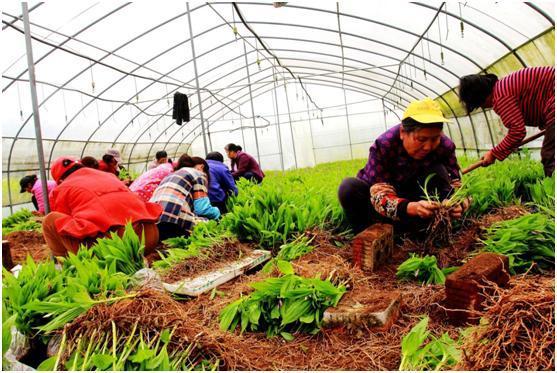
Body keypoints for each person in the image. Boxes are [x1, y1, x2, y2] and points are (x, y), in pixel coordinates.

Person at [338, 98, 468, 234]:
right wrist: (411, 207)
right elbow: (379, 195)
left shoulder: (445, 146)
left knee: (438, 171)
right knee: (349, 188)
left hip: (419, 204)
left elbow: (458, 186)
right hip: (385, 207)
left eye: (435, 138)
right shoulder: (385, 144)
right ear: (402, 132)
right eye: (421, 139)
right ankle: (370, 233)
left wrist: (458, 205)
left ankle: (427, 231)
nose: (428, 147)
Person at [41, 156, 162, 257]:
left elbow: (65, 228)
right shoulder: (108, 175)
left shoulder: (62, 188)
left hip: (115, 246)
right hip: (149, 237)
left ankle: (68, 266)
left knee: (49, 221)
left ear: (60, 179)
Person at [459, 66, 555, 176]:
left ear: (479, 97)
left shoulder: (500, 96)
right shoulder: (504, 87)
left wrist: (494, 153)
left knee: (550, 156)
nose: (482, 107)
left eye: (478, 104)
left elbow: (517, 131)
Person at [150, 155, 220, 241]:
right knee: (211, 224)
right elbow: (202, 209)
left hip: (154, 224)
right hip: (175, 221)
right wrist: (217, 213)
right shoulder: (199, 174)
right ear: (202, 167)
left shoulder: (170, 175)